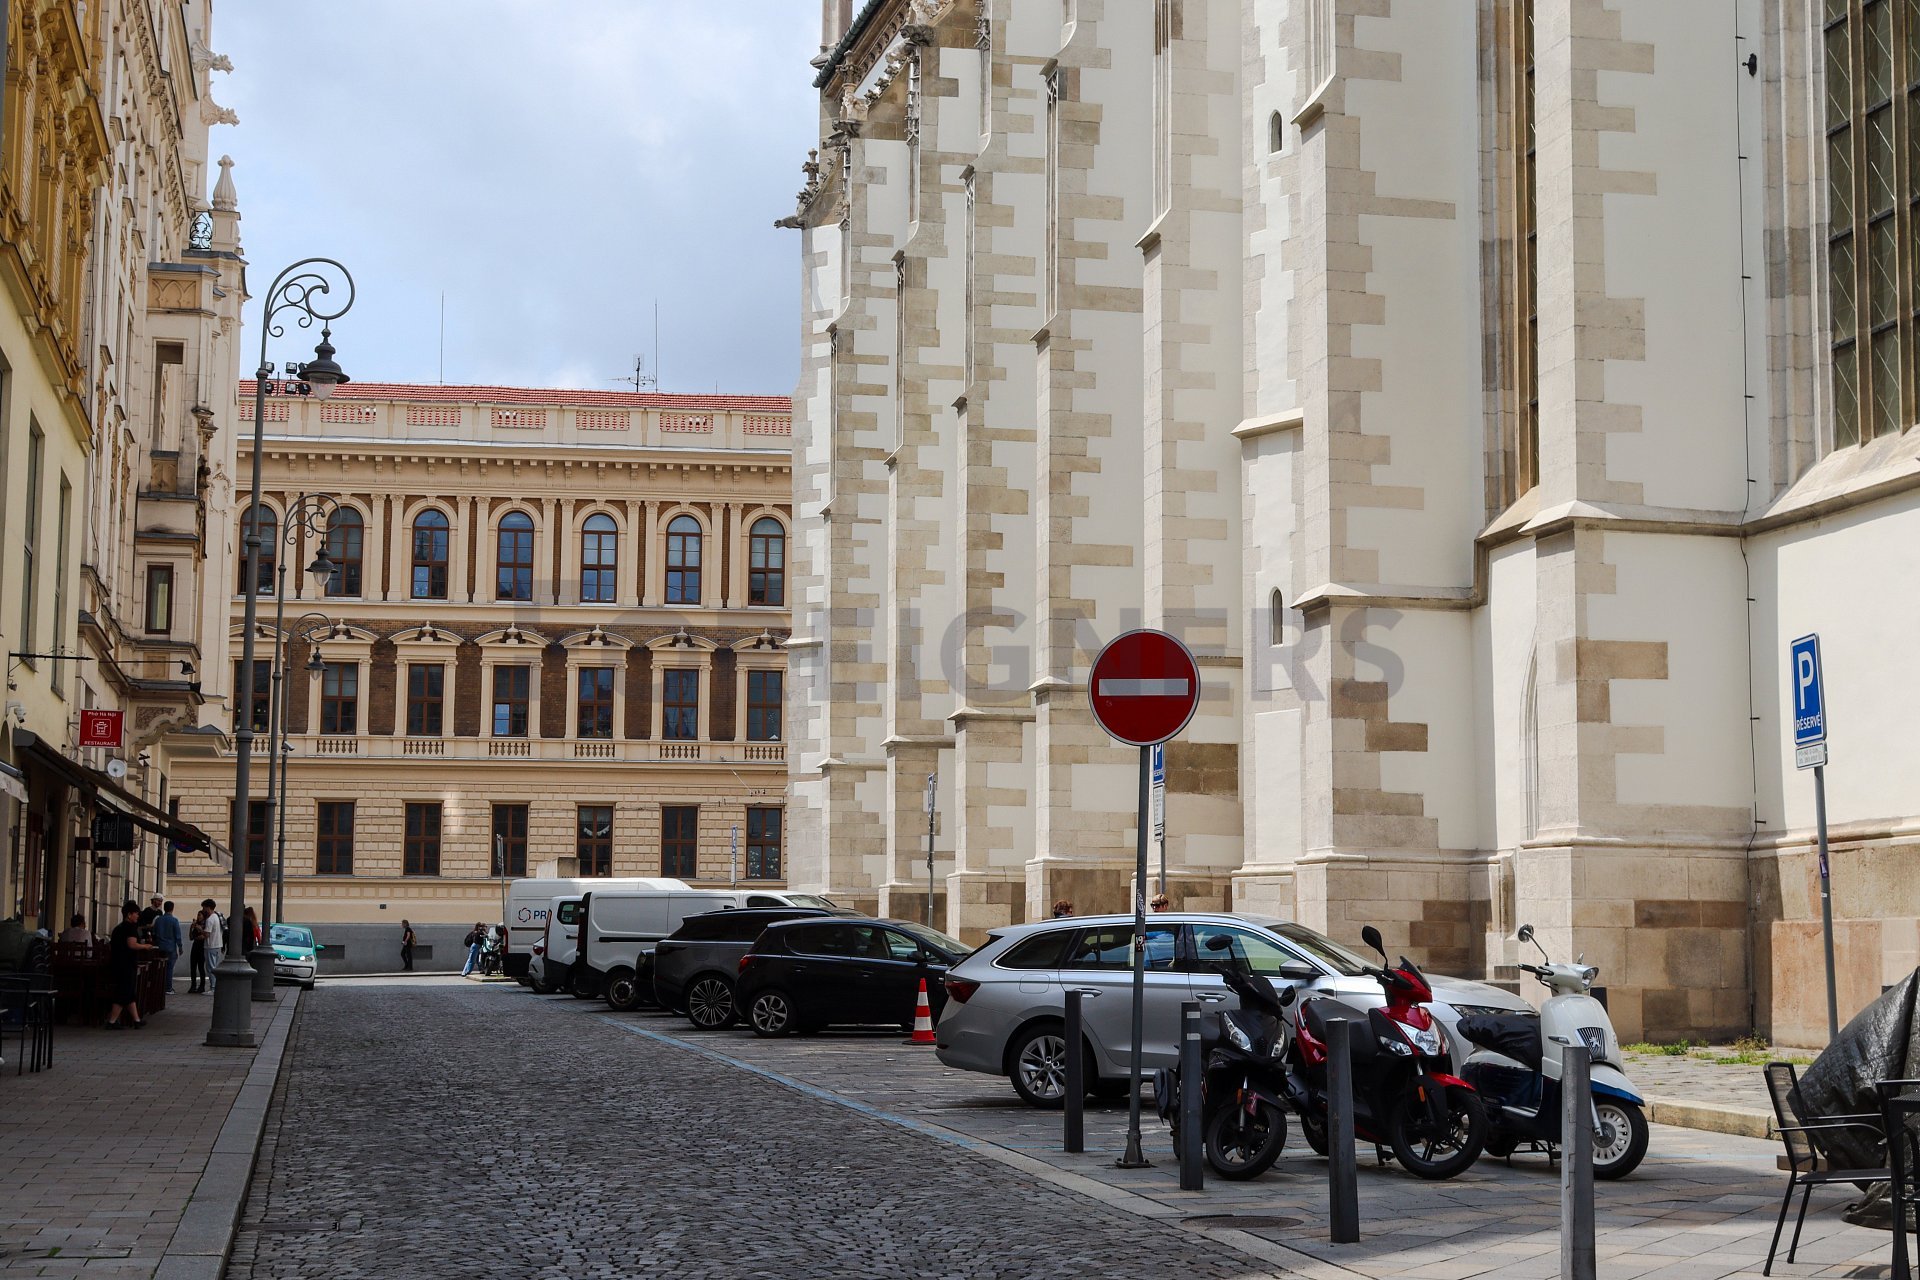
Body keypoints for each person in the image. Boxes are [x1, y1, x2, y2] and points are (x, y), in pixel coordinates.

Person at [106, 901, 159, 1029]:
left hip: (117, 963)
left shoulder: (118, 928)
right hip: (126, 964)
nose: (138, 916)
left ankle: (136, 1020)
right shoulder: (130, 928)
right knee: (124, 992)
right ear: (129, 915)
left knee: (129, 993)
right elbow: (132, 944)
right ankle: (111, 1022)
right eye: (136, 913)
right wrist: (145, 946)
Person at [154, 900, 184, 993]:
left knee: (160, 968)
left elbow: (154, 933)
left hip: (160, 947)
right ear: (172, 909)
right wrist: (180, 947)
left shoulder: (158, 920)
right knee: (169, 968)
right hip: (170, 947)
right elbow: (177, 935)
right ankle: (168, 988)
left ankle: (159, 986)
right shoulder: (174, 920)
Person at [201, 898, 225, 988]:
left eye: (204, 908)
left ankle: (213, 987)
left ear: (208, 908)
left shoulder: (210, 919)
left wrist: (200, 929)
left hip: (210, 945)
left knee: (210, 967)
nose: (203, 910)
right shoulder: (217, 917)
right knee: (215, 966)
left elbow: (207, 934)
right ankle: (215, 986)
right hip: (218, 945)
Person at [188, 907, 210, 993]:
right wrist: (191, 928)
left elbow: (203, 937)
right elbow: (191, 937)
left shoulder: (205, 925)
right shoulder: (196, 924)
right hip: (195, 947)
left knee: (201, 967)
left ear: (204, 916)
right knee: (193, 967)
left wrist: (199, 929)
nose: (198, 917)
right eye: (198, 915)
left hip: (202, 948)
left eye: (200, 915)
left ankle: (202, 986)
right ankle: (193, 985)